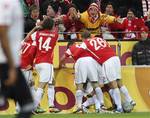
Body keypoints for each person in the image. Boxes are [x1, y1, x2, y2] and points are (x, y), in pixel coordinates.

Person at [77, 30, 136, 112]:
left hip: (107, 60)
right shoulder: (99, 38)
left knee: (113, 84)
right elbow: (106, 46)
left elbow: (77, 52)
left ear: (83, 38)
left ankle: (119, 108)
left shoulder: (85, 43)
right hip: (115, 58)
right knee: (119, 81)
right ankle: (130, 100)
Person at [0, 0, 33, 118]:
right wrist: (12, 65)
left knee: (27, 104)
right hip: (6, 62)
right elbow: (2, 32)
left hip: (6, 62)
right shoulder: (8, 3)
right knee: (27, 104)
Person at [59, 41, 105, 113]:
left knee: (79, 85)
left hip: (81, 62)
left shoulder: (72, 47)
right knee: (95, 84)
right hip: (91, 62)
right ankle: (101, 106)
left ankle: (79, 107)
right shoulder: (85, 45)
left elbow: (62, 58)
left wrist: (60, 65)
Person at [30, 18, 60, 113]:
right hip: (47, 62)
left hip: (38, 62)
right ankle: (33, 107)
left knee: (52, 82)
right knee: (41, 86)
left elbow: (28, 38)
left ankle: (51, 106)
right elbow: (55, 31)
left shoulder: (37, 34)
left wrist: (37, 28)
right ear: (51, 26)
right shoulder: (55, 34)